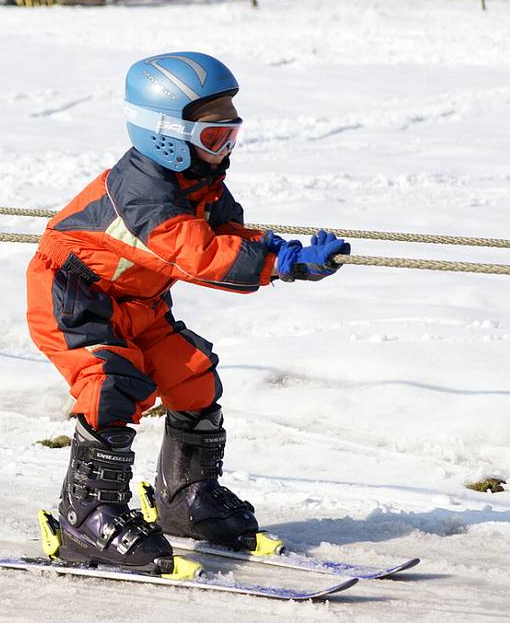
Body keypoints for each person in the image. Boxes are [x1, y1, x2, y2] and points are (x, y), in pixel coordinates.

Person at [25, 52, 351, 571]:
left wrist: (284, 251)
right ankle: (86, 518)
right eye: (213, 137)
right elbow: (194, 253)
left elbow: (226, 235)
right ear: (165, 135)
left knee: (192, 373)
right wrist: (276, 264)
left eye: (231, 136)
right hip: (76, 300)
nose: (224, 150)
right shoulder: (142, 190)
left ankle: (186, 499)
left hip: (142, 301)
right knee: (111, 383)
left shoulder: (199, 180)